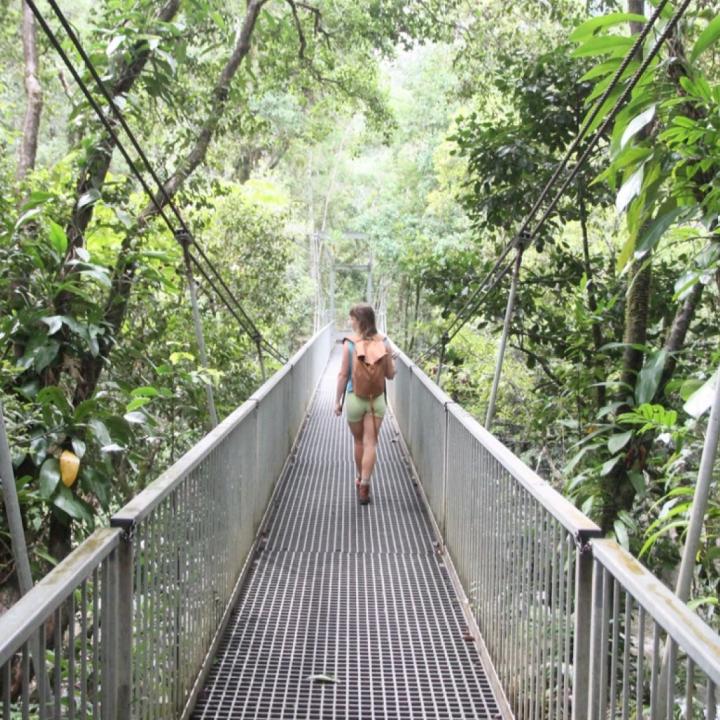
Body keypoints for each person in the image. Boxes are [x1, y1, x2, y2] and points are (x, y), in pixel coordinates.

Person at [335, 303, 396, 505]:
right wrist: (392, 360)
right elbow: (390, 375)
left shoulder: (349, 343)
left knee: (359, 441)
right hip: (376, 401)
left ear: (359, 320)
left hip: (354, 399)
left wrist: (337, 401)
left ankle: (360, 478)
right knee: (371, 442)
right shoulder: (384, 342)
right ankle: (365, 486)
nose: (349, 321)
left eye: (351, 318)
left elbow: (343, 375)